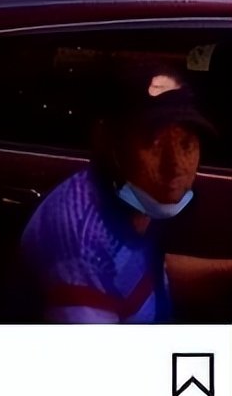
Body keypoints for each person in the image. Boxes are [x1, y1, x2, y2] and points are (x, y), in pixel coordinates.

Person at [20, 69, 231, 323]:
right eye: (151, 142)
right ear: (107, 141)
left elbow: (142, 274)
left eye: (186, 144)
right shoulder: (80, 255)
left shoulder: (131, 197)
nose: (175, 167)